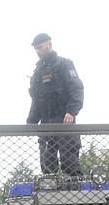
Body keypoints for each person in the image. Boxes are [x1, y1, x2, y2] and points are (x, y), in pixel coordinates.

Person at [26, 32, 84, 177]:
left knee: (69, 156)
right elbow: (36, 99)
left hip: (64, 119)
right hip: (45, 121)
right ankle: (50, 183)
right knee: (47, 158)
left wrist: (71, 111)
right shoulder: (37, 72)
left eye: (40, 47)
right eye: (36, 49)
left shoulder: (64, 64)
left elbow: (76, 88)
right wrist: (31, 121)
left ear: (49, 44)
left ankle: (73, 183)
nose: (38, 51)